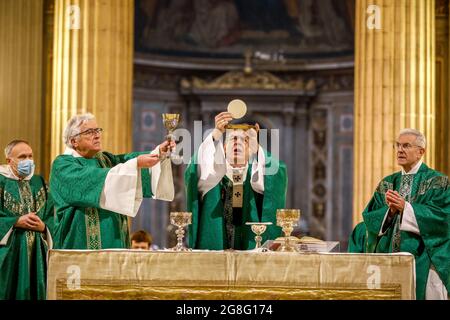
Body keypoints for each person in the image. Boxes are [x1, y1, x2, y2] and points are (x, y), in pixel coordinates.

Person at [348, 129, 450, 300]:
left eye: (406, 146)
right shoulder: (388, 182)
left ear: (421, 152)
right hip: (389, 260)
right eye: (398, 145)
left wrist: (407, 209)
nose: (400, 150)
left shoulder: (438, 182)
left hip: (424, 259)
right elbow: (370, 218)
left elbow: (443, 218)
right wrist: (390, 212)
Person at [50, 113, 174, 250]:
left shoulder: (105, 160)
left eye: (97, 130)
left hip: (114, 243)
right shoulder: (63, 165)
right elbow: (90, 178)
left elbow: (126, 162)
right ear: (74, 141)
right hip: (78, 249)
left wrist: (158, 153)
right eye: (90, 132)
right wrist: (135, 164)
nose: (97, 135)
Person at [185, 112, 287, 250]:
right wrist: (216, 134)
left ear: (251, 150)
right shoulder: (212, 177)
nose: (237, 143)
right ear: (224, 148)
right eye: (232, 139)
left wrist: (256, 147)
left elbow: (277, 174)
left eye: (244, 141)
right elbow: (195, 168)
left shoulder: (257, 177)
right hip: (215, 251)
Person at [0, 140, 54, 299]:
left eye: (30, 156)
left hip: (38, 255)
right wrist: (14, 222)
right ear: (9, 161)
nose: (28, 161)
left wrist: (44, 227)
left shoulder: (40, 182)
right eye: (22, 157)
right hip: (10, 256)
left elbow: (52, 215)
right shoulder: (1, 181)